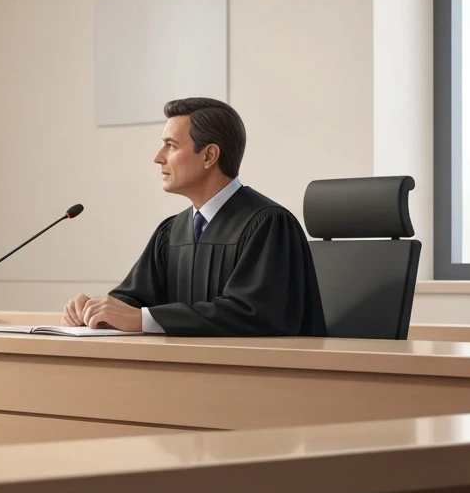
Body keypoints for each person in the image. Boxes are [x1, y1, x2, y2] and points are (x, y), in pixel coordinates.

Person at [63, 97, 325, 337]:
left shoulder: (268, 225)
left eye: (171, 145)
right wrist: (94, 310)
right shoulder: (172, 231)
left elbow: (254, 314)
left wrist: (142, 318)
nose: (157, 157)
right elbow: (135, 299)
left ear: (209, 155)